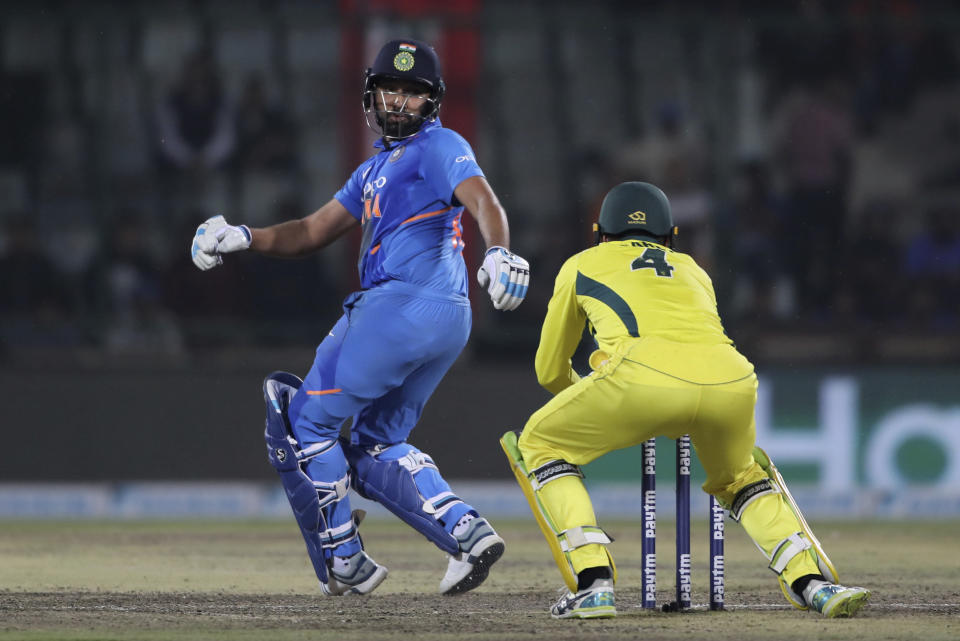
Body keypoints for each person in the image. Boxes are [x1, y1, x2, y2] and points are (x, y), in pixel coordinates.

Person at [190, 39, 529, 596]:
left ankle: (344, 556)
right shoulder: (372, 171)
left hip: (399, 305)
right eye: (390, 90)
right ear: (372, 96)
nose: (399, 102)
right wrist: (244, 236)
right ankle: (465, 532)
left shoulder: (439, 144)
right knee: (374, 446)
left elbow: (485, 200)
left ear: (433, 102)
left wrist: (497, 251)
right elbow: (309, 232)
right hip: (448, 315)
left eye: (412, 92)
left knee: (304, 423)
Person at [500, 182, 869, 619]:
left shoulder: (581, 264)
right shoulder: (694, 268)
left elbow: (550, 370)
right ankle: (814, 584)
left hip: (637, 380)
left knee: (541, 445)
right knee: (741, 479)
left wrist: (597, 395)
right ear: (668, 235)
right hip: (732, 379)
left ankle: (592, 583)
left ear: (601, 232)